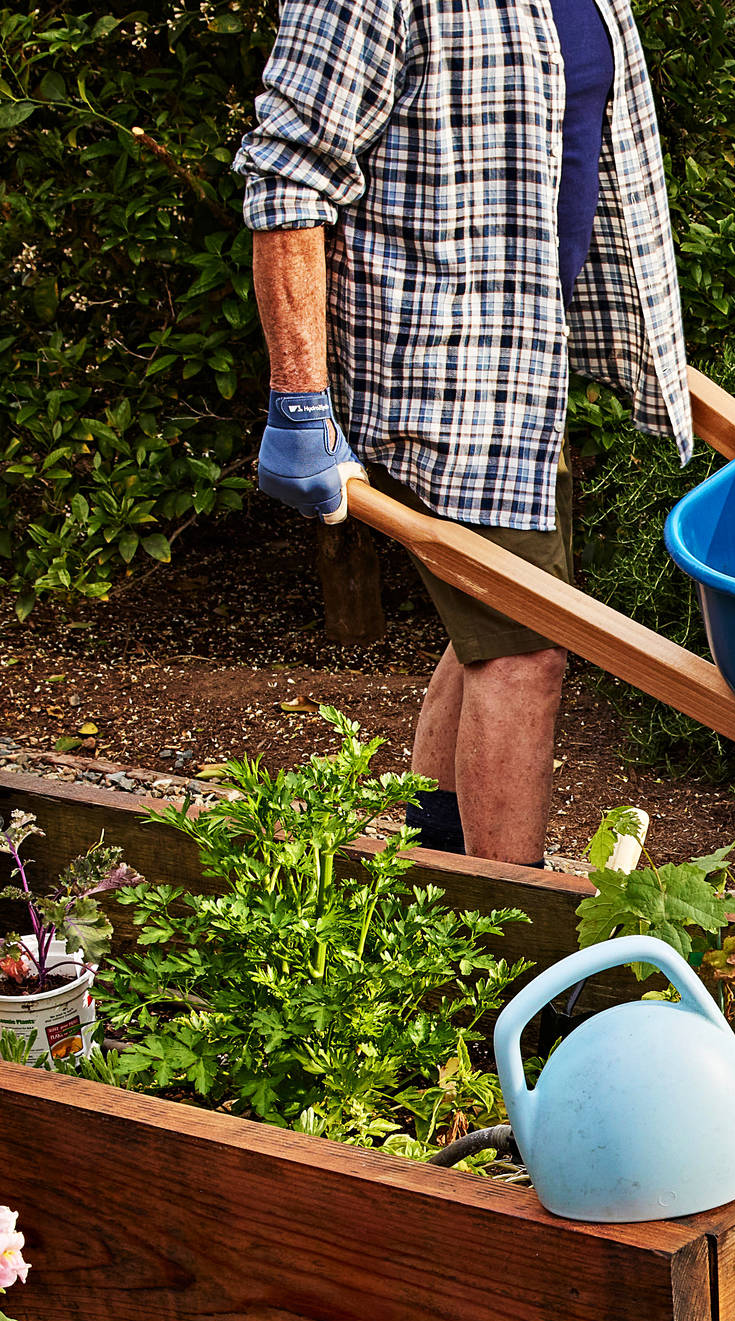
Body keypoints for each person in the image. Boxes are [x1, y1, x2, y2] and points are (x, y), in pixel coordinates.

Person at [234, 0, 692, 865]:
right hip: (439, 372)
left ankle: (439, 867)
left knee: (484, 631)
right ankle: (508, 950)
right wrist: (298, 399)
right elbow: (288, 174)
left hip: (524, 357)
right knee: (527, 654)